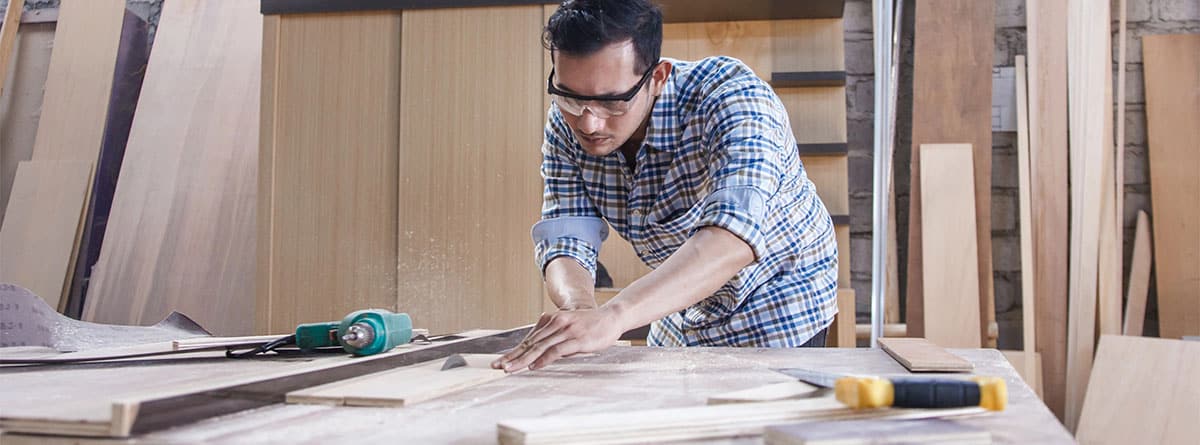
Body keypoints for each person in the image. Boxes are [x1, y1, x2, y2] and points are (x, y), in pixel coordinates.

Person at [493, 0, 838, 373]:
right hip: (683, 302)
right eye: (570, 96)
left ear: (657, 78)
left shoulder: (732, 97)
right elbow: (566, 231)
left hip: (777, 295)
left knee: (744, 419)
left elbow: (733, 238)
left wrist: (615, 316)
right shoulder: (567, 122)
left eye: (612, 102)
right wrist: (580, 313)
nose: (589, 122)